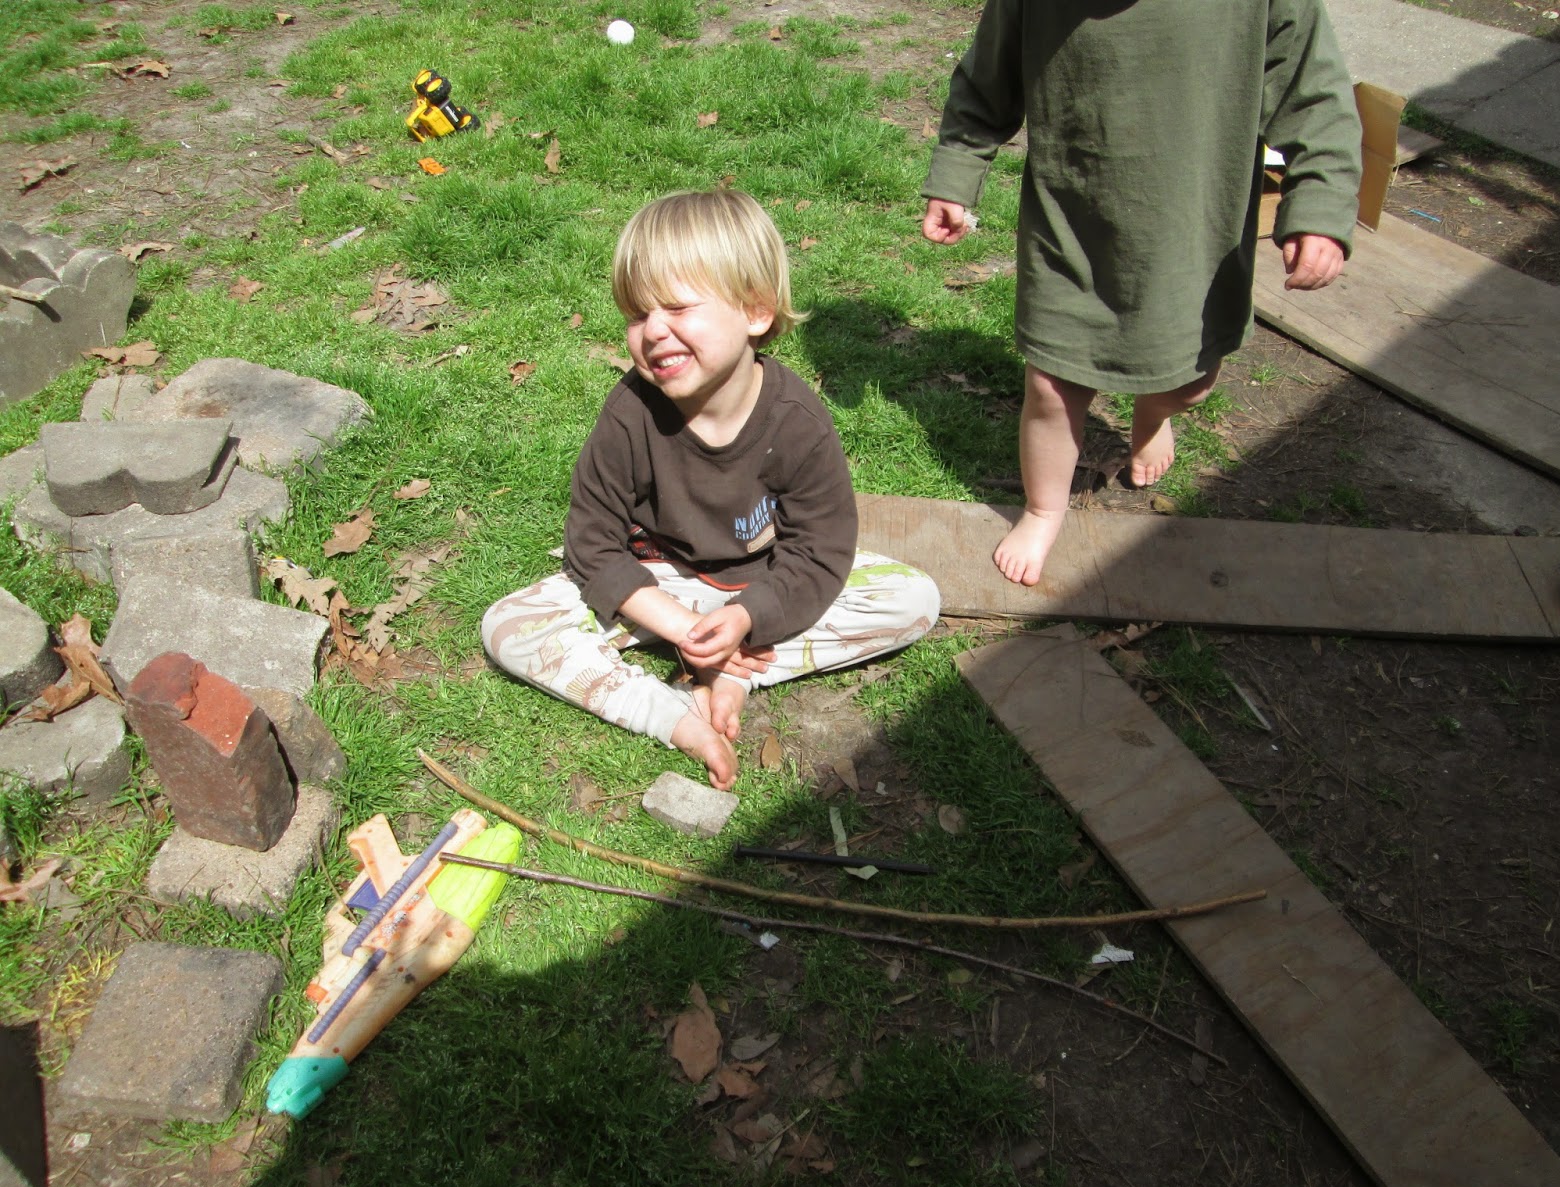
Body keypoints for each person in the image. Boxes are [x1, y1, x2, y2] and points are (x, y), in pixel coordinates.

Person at [483, 190, 940, 790]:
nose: (653, 332)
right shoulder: (629, 414)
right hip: (657, 585)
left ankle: (737, 673)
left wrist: (746, 618)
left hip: (759, 583)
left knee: (912, 598)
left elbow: (821, 549)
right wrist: (678, 626)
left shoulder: (797, 421)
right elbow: (592, 546)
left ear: (755, 312)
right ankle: (668, 712)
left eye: (677, 307)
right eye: (637, 314)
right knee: (508, 625)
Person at [921, 0, 1362, 586]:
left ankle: (1153, 415)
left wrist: (1321, 208)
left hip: (1195, 230)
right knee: (1052, 384)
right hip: (1072, 220)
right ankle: (1044, 507)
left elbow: (1316, 96)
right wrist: (956, 174)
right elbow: (986, 81)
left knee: (1191, 380)